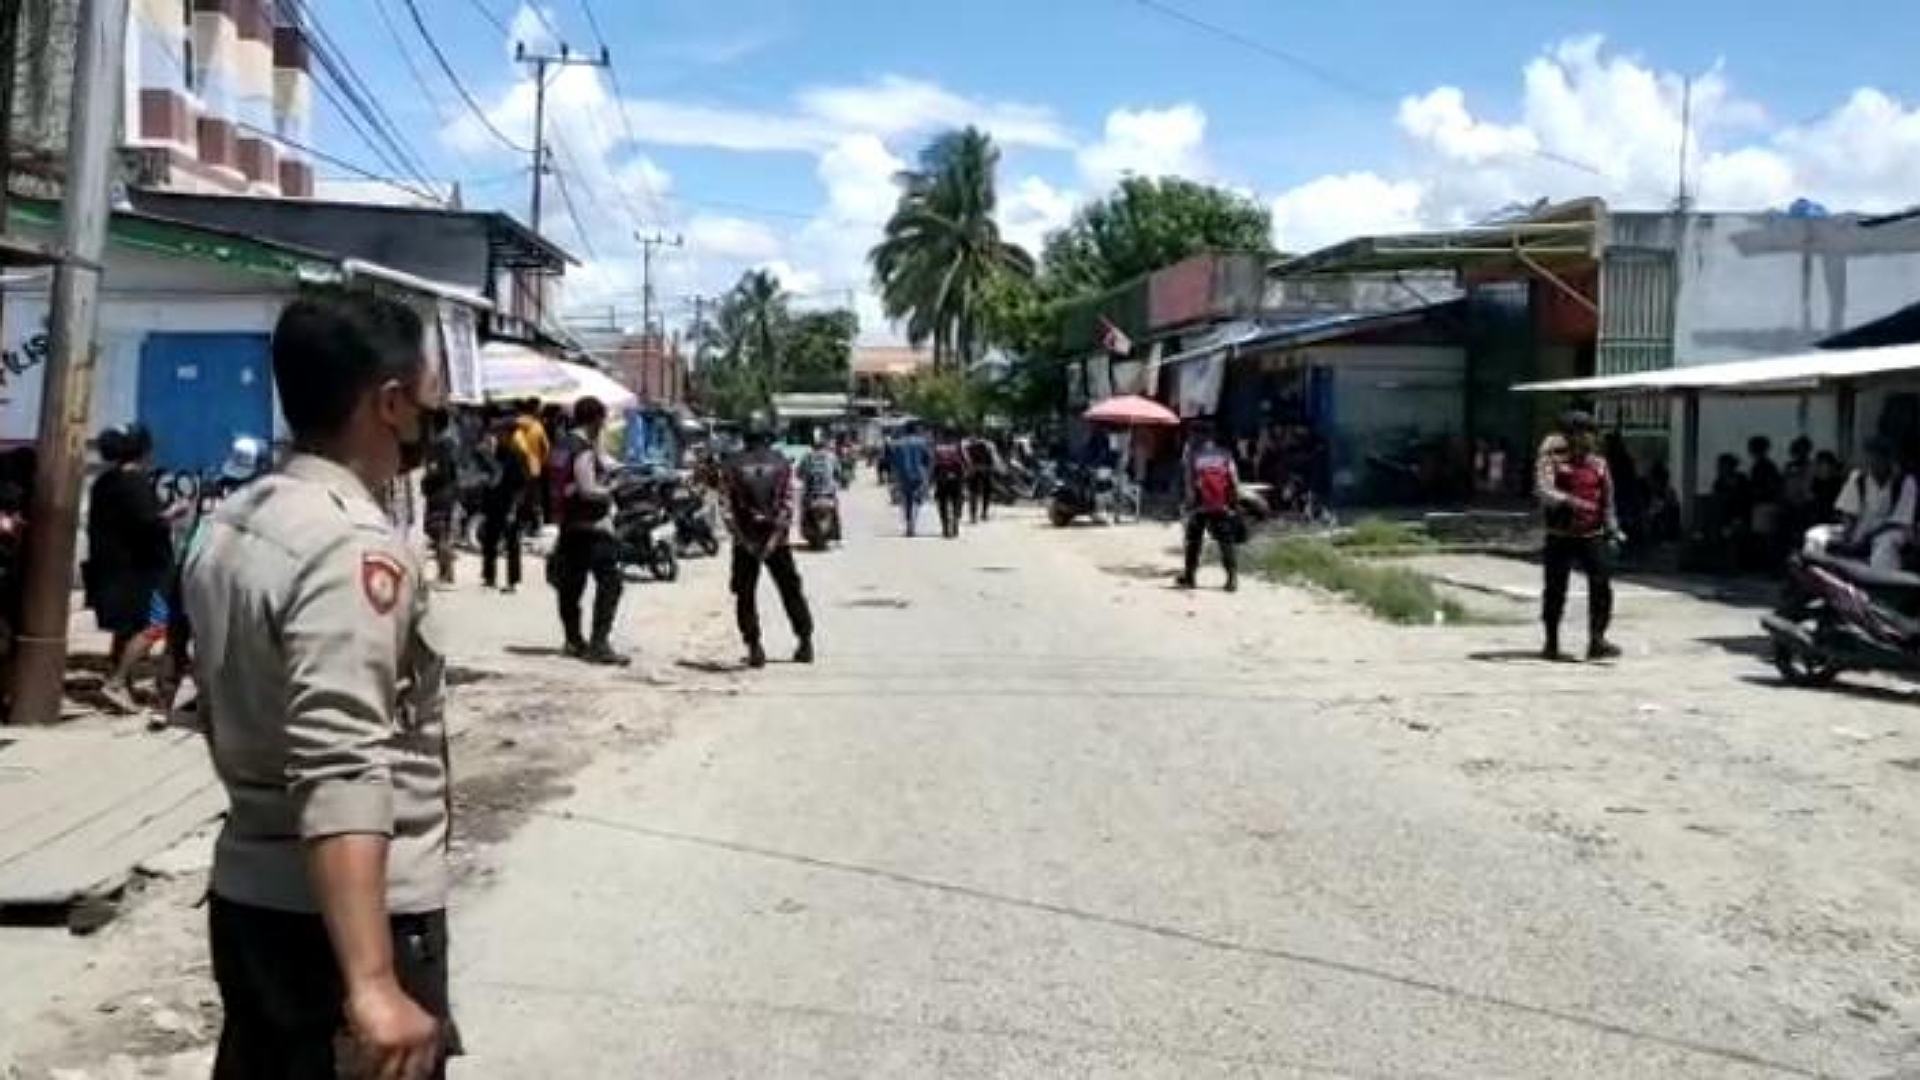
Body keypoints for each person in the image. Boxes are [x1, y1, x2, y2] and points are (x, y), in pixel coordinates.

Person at [181, 290, 456, 1079]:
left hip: (253, 903)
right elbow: (340, 765)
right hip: (341, 924)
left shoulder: (235, 519)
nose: (429, 430)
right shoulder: (349, 545)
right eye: (428, 409)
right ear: (391, 404)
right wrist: (371, 984)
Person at [85, 424, 174, 714]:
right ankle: (117, 681)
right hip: (142, 570)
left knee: (127, 627)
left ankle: (121, 680)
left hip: (113, 570)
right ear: (143, 451)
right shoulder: (134, 483)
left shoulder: (104, 482)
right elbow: (149, 523)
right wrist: (174, 513)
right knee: (155, 624)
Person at [722, 420, 815, 669]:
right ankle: (805, 640)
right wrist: (774, 539)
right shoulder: (782, 463)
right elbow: (788, 505)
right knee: (790, 589)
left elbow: (728, 510)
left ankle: (754, 646)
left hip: (746, 540)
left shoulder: (732, 465)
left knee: (745, 594)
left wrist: (746, 542)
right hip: (777, 541)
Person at [548, 396, 627, 665]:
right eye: (602, 419)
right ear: (595, 419)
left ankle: (573, 640)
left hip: (568, 526)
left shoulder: (561, 444)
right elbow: (587, 489)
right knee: (610, 583)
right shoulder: (582, 448)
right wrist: (611, 491)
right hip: (591, 529)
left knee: (570, 587)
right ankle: (599, 644)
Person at [1535, 411, 1620, 661]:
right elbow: (1543, 490)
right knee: (1555, 590)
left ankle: (1597, 639)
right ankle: (1552, 641)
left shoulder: (1599, 465)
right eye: (1581, 433)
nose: (1587, 439)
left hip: (1591, 533)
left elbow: (1608, 500)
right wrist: (1570, 501)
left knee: (1601, 585)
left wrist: (1613, 528)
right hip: (1560, 534)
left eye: (1589, 434)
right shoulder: (1552, 461)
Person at [1814, 436, 1917, 570]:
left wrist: (1869, 537)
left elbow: (1899, 521)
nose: (1873, 463)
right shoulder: (1858, 479)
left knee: (1887, 543)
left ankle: (1881, 582)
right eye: (1870, 458)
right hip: (1861, 536)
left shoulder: (1905, 482)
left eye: (1878, 458)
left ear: (1889, 459)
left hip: (1890, 535)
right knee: (1819, 537)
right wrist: (1847, 537)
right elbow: (1849, 514)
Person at [1177, 420, 1242, 592]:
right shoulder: (1225, 454)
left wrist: (1189, 504)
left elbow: (1189, 483)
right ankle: (1232, 578)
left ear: (1197, 435)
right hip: (1221, 504)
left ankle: (1190, 577)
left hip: (1200, 505)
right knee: (1225, 541)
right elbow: (1234, 481)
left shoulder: (1194, 455)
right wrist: (1233, 503)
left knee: (1193, 541)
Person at [477, 420, 525, 592]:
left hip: (509, 505)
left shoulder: (517, 455)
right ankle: (489, 577)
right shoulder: (494, 454)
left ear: (509, 434)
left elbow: (520, 486)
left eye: (500, 432)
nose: (497, 436)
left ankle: (512, 581)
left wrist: (513, 509)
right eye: (496, 433)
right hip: (493, 505)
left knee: (512, 544)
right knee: (489, 541)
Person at [419, 419, 460, 586]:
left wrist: (425, 482)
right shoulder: (451, 443)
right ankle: (447, 574)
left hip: (439, 494)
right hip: (448, 493)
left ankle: (445, 574)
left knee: (440, 534)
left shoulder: (438, 446)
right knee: (443, 533)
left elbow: (436, 473)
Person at [887, 421, 933, 537]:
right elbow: (928, 459)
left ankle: (908, 523)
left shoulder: (898, 444)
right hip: (918, 474)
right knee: (917, 500)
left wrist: (894, 474)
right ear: (916, 430)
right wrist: (927, 472)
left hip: (903, 475)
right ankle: (913, 523)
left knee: (906, 500)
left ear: (905, 430)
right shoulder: (922, 442)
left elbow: (892, 460)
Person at [509, 399, 549, 531]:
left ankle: (516, 524)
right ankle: (532, 525)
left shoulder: (514, 424)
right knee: (531, 498)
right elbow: (546, 448)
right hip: (534, 467)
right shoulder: (538, 426)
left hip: (516, 467)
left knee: (517, 497)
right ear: (535, 409)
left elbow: (515, 443)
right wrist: (540, 462)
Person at [931, 428, 970, 539]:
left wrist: (932, 479)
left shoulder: (937, 447)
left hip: (941, 479)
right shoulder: (958, 446)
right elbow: (966, 460)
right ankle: (955, 524)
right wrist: (967, 472)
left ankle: (945, 528)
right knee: (957, 500)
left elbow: (933, 463)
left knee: (942, 502)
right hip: (956, 478)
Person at [964, 433, 998, 523]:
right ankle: (984, 513)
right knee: (986, 493)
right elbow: (994, 458)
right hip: (986, 470)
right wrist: (993, 468)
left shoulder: (969, 445)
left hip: (974, 470)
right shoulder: (990, 445)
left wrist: (969, 469)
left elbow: (966, 459)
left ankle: (973, 516)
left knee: (973, 494)